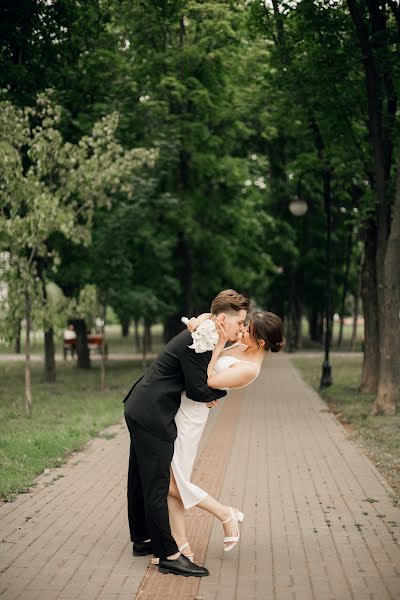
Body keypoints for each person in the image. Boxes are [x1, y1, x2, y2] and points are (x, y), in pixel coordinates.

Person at [123, 289, 249, 577]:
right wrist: (218, 391)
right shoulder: (202, 339)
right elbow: (197, 389)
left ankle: (143, 540)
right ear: (222, 320)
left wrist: (209, 391)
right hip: (152, 412)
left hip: (142, 405)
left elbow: (198, 386)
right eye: (239, 322)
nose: (242, 328)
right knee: (158, 482)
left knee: (139, 475)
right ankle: (168, 554)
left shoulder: (207, 332)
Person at [161, 310, 285, 565]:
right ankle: (182, 545)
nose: (242, 330)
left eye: (248, 329)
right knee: (172, 482)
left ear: (261, 342)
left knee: (172, 483)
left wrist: (218, 345)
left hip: (191, 416)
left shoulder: (250, 369)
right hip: (181, 404)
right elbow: (209, 337)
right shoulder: (242, 344)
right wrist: (202, 321)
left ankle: (225, 514)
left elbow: (208, 379)